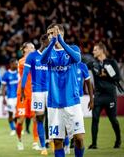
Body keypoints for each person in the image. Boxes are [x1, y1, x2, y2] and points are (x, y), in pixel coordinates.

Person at [41, 23, 85, 157]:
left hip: (72, 101)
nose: (49, 36)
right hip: (54, 103)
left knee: (79, 138)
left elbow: (77, 59)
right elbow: (43, 60)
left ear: (61, 33)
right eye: (48, 34)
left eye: (52, 33)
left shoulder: (73, 48)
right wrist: (53, 42)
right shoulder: (48, 52)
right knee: (58, 141)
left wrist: (60, 41)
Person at [88, 42, 122, 149]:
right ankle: (94, 144)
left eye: (95, 49)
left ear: (101, 50)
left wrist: (106, 74)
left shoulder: (112, 62)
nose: (93, 51)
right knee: (95, 119)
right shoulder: (93, 64)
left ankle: (118, 140)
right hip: (98, 96)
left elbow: (118, 78)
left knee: (113, 120)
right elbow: (81, 65)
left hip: (110, 96)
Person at [21, 34, 50, 155]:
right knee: (39, 119)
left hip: (50, 91)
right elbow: (25, 73)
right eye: (49, 42)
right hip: (37, 92)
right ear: (43, 42)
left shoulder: (52, 54)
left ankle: (59, 143)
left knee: (55, 118)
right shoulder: (32, 56)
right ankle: (43, 146)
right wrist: (22, 90)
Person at [15, 42, 37, 151]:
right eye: (31, 47)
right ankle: (19, 140)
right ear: (25, 49)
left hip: (33, 93)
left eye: (34, 47)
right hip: (22, 94)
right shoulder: (22, 61)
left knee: (36, 118)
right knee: (21, 120)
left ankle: (35, 142)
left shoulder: (36, 60)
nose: (34, 49)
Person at [1, 58, 19, 136]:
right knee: (11, 114)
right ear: (11, 64)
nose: (17, 65)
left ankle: (18, 128)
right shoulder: (6, 74)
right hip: (10, 97)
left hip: (18, 96)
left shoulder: (19, 73)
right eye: (16, 64)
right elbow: (3, 87)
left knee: (18, 114)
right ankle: (12, 129)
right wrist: (3, 97)